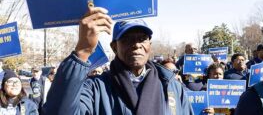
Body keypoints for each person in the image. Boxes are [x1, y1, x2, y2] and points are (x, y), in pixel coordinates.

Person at [43, 7, 193, 115]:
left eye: (142, 39)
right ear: (114, 47)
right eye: (127, 39)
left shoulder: (171, 86)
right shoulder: (95, 88)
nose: (136, 44)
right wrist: (82, 51)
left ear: (149, 46)